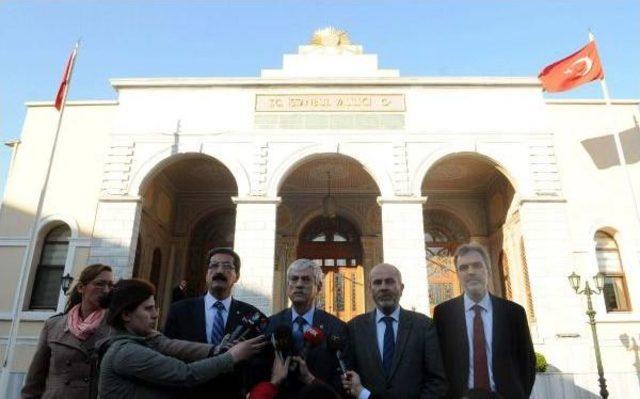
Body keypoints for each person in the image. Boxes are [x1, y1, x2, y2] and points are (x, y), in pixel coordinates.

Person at [21, 264, 213, 399]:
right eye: (99, 284)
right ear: (81, 288)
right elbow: (35, 378)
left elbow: (165, 344)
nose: (106, 290)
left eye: (110, 285)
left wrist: (213, 350)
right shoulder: (54, 325)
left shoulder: (118, 324)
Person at [98, 278, 266, 399]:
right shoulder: (126, 352)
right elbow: (186, 375)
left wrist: (217, 349)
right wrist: (232, 356)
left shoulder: (142, 339)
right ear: (126, 314)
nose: (155, 315)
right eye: (148, 309)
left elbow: (168, 344)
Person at [432, 244, 535, 399]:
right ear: (458, 274)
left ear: (488, 270)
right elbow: (438, 364)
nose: (471, 272)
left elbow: (527, 363)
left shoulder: (514, 313)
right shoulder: (443, 314)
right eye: (464, 268)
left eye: (477, 265)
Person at [164, 247, 266, 398]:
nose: (219, 271)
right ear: (206, 274)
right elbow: (168, 352)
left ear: (236, 276)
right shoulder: (180, 311)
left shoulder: (251, 315)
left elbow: (259, 360)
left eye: (227, 266)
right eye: (213, 266)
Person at [342, 263, 448, 398]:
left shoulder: (424, 326)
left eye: (390, 282)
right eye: (377, 282)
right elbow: (349, 381)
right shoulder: (354, 328)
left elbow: (436, 381)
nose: (384, 287)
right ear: (370, 289)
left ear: (402, 288)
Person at [253, 258, 348, 398]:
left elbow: (342, 379)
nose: (298, 284)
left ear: (319, 287)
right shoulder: (270, 324)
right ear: (287, 284)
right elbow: (258, 373)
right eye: (294, 279)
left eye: (306, 279)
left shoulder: (336, 327)